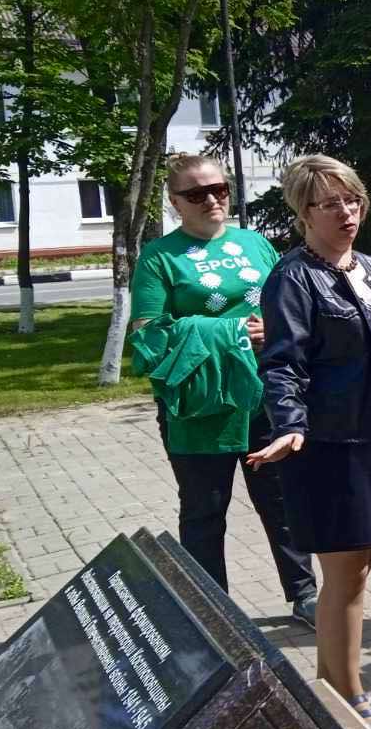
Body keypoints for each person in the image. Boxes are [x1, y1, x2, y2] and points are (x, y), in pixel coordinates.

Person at [250, 155, 371, 729]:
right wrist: (289, 424)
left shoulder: (370, 267)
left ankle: (336, 686)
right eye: (329, 204)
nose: (346, 212)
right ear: (303, 213)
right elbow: (283, 362)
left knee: (358, 567)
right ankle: (345, 699)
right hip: (326, 444)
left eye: (352, 200)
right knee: (346, 571)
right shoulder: (293, 278)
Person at [129, 152, 318, 626]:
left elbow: (289, 305)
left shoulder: (255, 244)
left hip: (265, 398)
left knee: (283, 502)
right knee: (204, 511)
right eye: (196, 194)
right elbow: (148, 333)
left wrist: (277, 328)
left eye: (219, 189)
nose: (212, 200)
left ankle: (304, 595)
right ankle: (211, 611)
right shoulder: (159, 257)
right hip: (201, 408)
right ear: (175, 203)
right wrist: (233, 333)